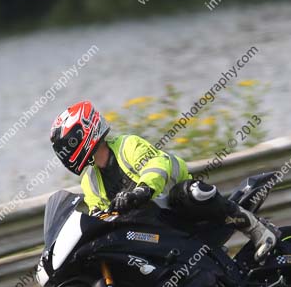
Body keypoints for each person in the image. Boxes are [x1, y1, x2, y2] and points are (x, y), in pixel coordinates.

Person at [50, 101, 278, 261]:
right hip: (148, 226)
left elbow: (157, 165)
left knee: (193, 191)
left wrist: (141, 191)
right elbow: (98, 213)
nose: (66, 152)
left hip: (177, 206)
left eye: (70, 143)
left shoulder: (127, 145)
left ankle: (257, 229)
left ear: (86, 132)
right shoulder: (89, 181)